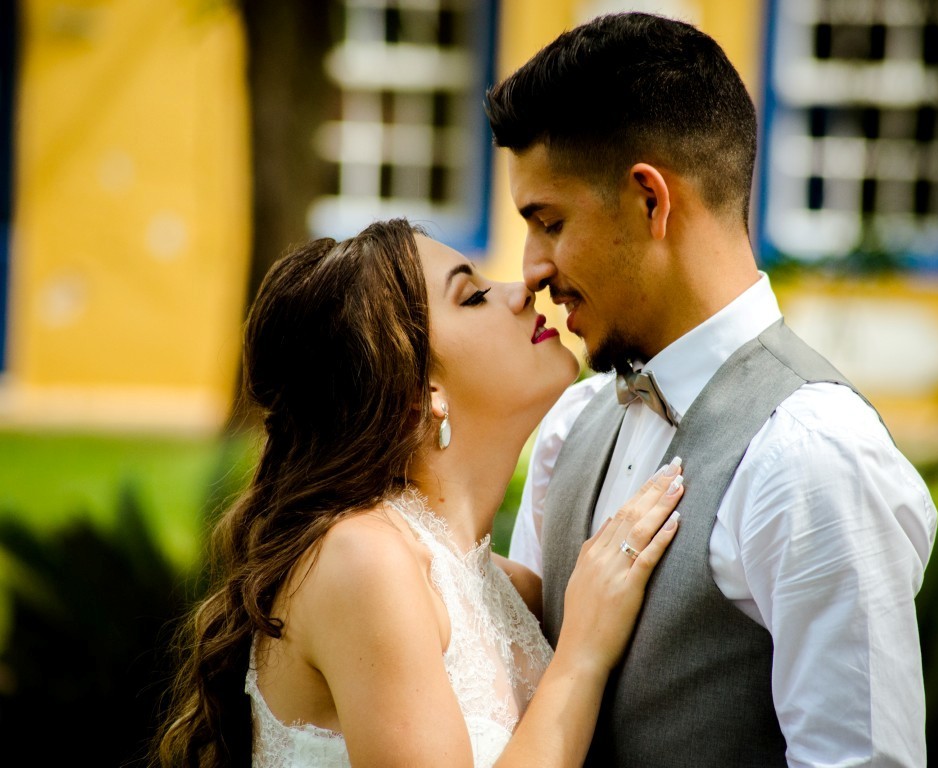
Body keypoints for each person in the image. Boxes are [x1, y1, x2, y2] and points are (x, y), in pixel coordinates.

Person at [486, 12, 938, 768]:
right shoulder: (571, 424)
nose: (531, 267)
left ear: (650, 200)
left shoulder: (813, 457)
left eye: (550, 222)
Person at [151, 219, 686, 768]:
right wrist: (582, 656)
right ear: (419, 393)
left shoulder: (515, 593)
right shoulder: (362, 558)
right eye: (473, 296)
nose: (521, 288)